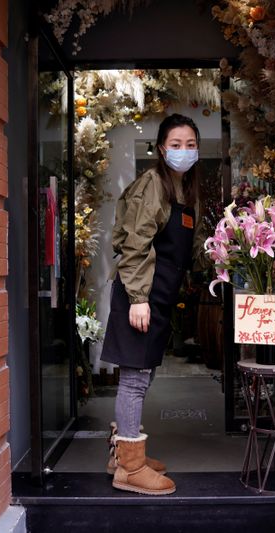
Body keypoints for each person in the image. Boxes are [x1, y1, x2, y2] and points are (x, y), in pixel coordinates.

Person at [100, 113, 203, 496]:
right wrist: (139, 300)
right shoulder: (153, 185)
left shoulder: (183, 190)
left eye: (190, 145)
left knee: (144, 376)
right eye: (176, 145)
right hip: (140, 296)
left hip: (157, 298)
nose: (183, 151)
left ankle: (123, 451)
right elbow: (135, 243)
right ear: (162, 149)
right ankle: (129, 469)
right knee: (135, 380)